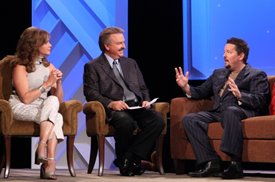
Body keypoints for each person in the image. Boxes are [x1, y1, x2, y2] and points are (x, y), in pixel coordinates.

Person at [175, 37, 270, 179]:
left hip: (242, 111)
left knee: (231, 111)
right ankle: (210, 162)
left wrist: (240, 95)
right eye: (224, 52)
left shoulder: (256, 75)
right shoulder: (218, 73)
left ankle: (235, 164)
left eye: (229, 52)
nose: (224, 55)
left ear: (241, 55)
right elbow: (201, 92)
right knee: (190, 119)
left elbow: (260, 100)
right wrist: (186, 87)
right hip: (219, 112)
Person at [83, 26, 164, 176]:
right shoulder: (93, 66)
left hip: (136, 106)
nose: (124, 46)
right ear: (107, 46)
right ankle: (130, 163)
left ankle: (128, 159)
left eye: (123, 42)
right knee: (125, 122)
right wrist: (110, 103)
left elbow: (143, 87)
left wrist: (146, 100)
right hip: (115, 108)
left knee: (157, 120)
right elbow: (90, 93)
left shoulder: (130, 63)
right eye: (119, 43)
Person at [8, 27, 64, 180]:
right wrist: (47, 84)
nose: (50, 45)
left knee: (52, 102)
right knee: (56, 118)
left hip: (42, 108)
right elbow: (25, 98)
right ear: (34, 44)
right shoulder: (20, 66)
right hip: (21, 106)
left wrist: (58, 83)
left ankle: (42, 147)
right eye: (46, 42)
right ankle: (49, 163)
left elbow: (58, 100)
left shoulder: (49, 66)